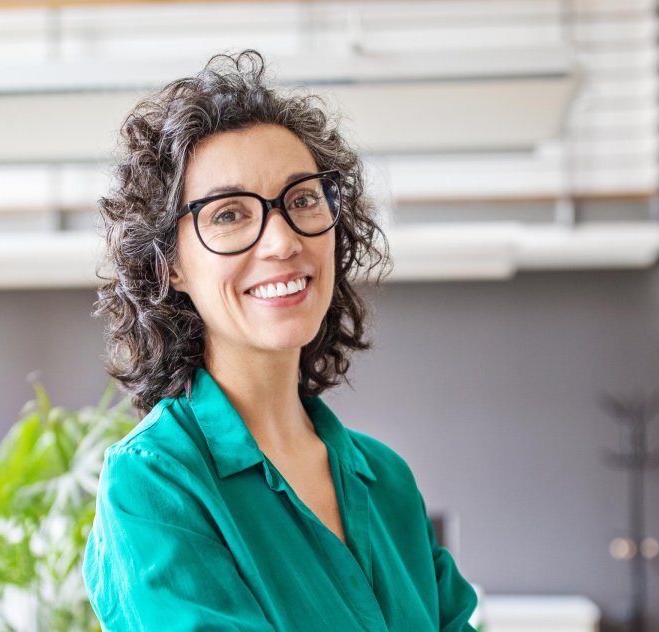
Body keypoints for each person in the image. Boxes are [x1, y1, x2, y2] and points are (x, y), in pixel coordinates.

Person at [84, 49, 478, 631]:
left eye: (301, 200)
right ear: (171, 266)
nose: (281, 241)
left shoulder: (387, 480)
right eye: (228, 214)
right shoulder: (156, 482)